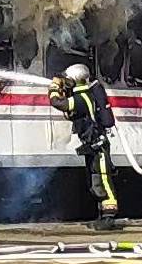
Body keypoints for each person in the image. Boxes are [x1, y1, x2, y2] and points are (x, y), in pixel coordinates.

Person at [50, 58, 120, 226]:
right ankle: (101, 216)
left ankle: (109, 218)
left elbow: (58, 103)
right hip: (92, 146)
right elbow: (71, 114)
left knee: (103, 179)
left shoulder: (82, 97)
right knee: (95, 181)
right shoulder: (83, 96)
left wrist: (53, 87)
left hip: (98, 146)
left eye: (68, 80)